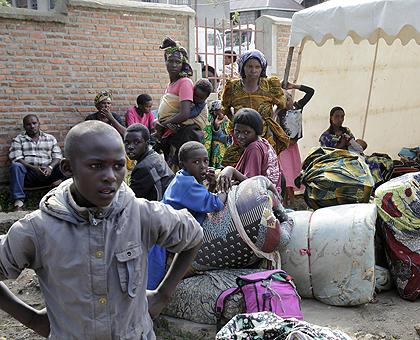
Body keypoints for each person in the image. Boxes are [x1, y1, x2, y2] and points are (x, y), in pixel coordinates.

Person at [0, 120, 203, 339]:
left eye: (118, 166)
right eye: (96, 166)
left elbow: (193, 236)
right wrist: (32, 319)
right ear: (68, 168)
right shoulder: (38, 228)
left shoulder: (141, 214)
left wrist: (162, 295)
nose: (110, 176)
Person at [147, 141, 226, 290]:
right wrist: (225, 189)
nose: (203, 166)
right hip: (166, 237)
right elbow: (215, 203)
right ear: (183, 165)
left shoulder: (183, 178)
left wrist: (213, 186)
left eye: (205, 161)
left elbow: (202, 199)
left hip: (166, 231)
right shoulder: (187, 184)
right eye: (196, 162)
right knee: (152, 283)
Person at [221, 49, 289, 167]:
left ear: (262, 68)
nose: (253, 70)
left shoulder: (269, 85)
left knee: (266, 167)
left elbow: (282, 103)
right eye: (249, 66)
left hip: (264, 135)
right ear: (243, 67)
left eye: (257, 67)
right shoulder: (233, 87)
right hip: (241, 138)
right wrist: (236, 121)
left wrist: (272, 116)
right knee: (236, 168)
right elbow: (225, 108)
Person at [154, 37, 208, 170]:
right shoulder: (169, 85)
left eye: (177, 62)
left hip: (180, 136)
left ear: (182, 64)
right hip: (170, 134)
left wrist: (163, 124)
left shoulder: (184, 82)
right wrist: (157, 122)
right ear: (165, 62)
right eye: (170, 61)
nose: (173, 65)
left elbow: (184, 114)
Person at [217, 108, 283, 195]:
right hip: (273, 196)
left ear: (256, 131)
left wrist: (231, 170)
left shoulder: (254, 148)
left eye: (246, 132)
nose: (240, 136)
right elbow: (282, 178)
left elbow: (251, 184)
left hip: (262, 200)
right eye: (237, 131)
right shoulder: (265, 143)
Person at [319, 106, 392, 184]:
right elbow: (326, 156)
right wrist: (341, 145)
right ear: (331, 117)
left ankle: (376, 185)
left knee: (377, 160)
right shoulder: (325, 137)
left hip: (354, 156)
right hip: (340, 162)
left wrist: (346, 145)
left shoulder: (346, 131)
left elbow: (353, 145)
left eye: (342, 117)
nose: (340, 120)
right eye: (337, 117)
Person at [9, 114, 64, 212]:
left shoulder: (50, 138)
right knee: (16, 166)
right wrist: (33, 168)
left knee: (66, 164)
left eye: (34, 123)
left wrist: (50, 168)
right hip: (30, 175)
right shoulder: (19, 139)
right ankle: (18, 203)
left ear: (39, 124)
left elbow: (58, 156)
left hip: (48, 174)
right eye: (28, 124)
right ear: (24, 127)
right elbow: (17, 158)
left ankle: (66, 197)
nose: (32, 126)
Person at [275, 81, 315, 209]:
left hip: (293, 148)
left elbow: (311, 91)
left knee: (292, 173)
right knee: (286, 174)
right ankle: (288, 203)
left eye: (289, 98)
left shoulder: (298, 107)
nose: (288, 101)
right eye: (285, 100)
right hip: (283, 148)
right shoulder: (280, 112)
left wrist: (293, 86)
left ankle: (289, 203)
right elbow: (271, 117)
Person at [124, 123, 174, 201]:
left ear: (147, 143)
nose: (130, 147)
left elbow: (131, 200)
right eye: (127, 143)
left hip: (159, 209)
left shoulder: (144, 167)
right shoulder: (155, 156)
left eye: (136, 142)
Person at [203, 99, 229, 168]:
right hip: (220, 144)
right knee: (217, 144)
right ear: (215, 113)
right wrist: (216, 125)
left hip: (228, 145)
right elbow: (213, 137)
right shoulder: (209, 121)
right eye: (222, 111)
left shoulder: (226, 119)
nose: (224, 113)